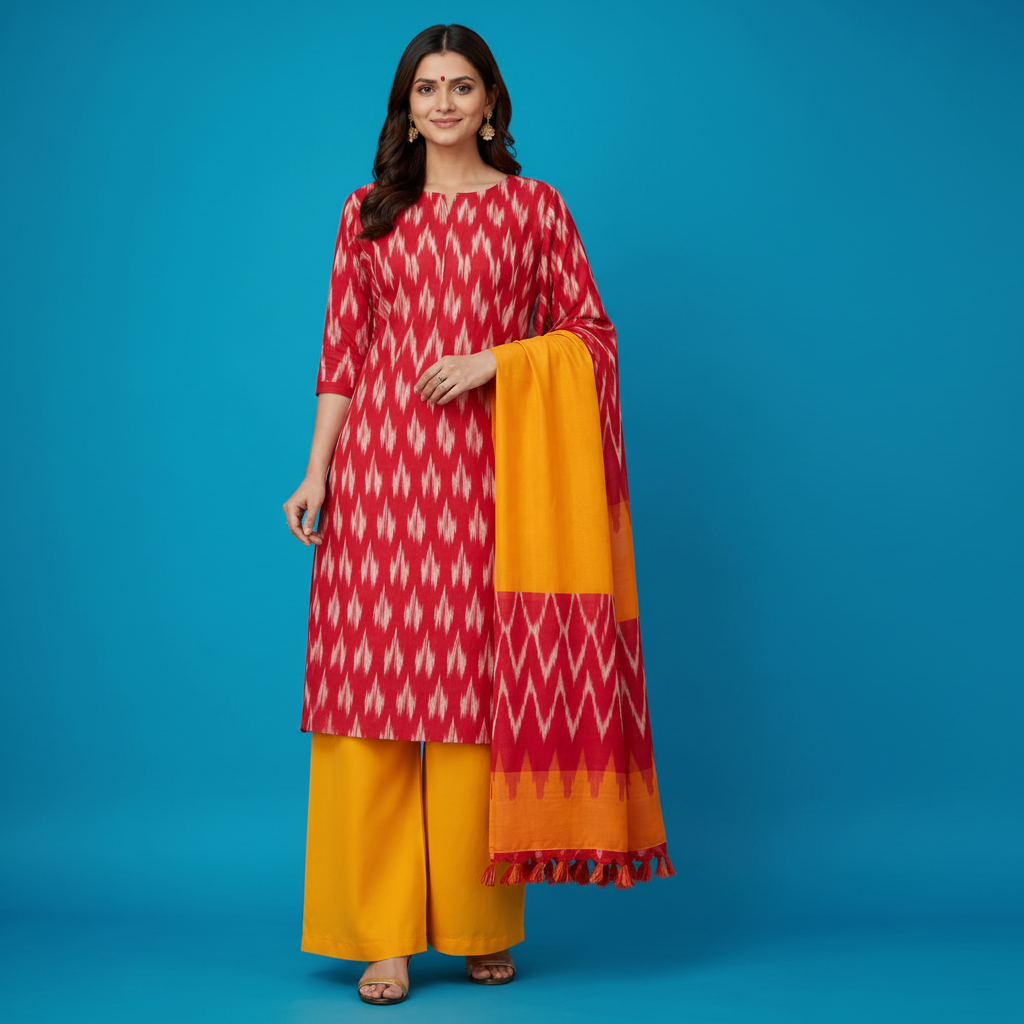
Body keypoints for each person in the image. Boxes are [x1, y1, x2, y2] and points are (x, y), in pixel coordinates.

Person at [283, 23, 671, 1007]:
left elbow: (590, 335)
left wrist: (498, 361)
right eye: (427, 87)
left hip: (484, 479)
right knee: (372, 701)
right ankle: (380, 937)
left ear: (490, 102)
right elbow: (342, 355)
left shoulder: (533, 211)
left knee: (466, 703)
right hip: (379, 477)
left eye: (462, 86)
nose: (445, 102)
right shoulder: (366, 213)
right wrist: (316, 472)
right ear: (404, 106)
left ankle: (474, 925)